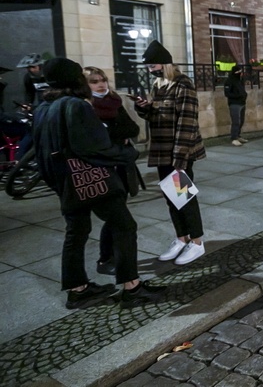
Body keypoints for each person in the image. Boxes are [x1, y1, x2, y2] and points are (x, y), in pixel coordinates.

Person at [32, 58, 165, 309]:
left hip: (66, 182)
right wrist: (128, 155)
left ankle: (77, 289)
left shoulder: (43, 107)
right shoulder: (76, 106)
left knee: (76, 233)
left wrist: (57, 183)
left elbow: (40, 152)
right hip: (92, 181)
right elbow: (95, 148)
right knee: (124, 226)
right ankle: (132, 287)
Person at [134, 41, 207, 265]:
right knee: (170, 198)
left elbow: (187, 122)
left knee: (184, 198)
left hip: (179, 151)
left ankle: (196, 242)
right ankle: (181, 238)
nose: (149, 70)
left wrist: (180, 158)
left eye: (152, 65)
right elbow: (157, 116)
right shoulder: (160, 85)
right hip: (161, 150)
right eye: (147, 67)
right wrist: (144, 107)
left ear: (165, 64)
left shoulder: (183, 84)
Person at [83, 66, 142, 277]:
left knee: (118, 216)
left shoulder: (114, 101)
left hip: (122, 168)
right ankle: (106, 258)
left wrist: (114, 133)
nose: (101, 84)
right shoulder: (85, 107)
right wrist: (118, 136)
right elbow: (98, 140)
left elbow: (133, 129)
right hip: (102, 170)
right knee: (116, 218)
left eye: (103, 80)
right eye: (94, 81)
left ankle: (113, 258)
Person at [223, 66, 248, 146]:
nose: (241, 74)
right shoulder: (229, 81)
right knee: (236, 121)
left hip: (242, 103)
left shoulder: (240, 81)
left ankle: (238, 135)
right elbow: (227, 93)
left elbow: (242, 90)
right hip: (234, 104)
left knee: (241, 121)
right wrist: (238, 95)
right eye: (239, 72)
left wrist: (244, 95)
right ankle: (234, 138)